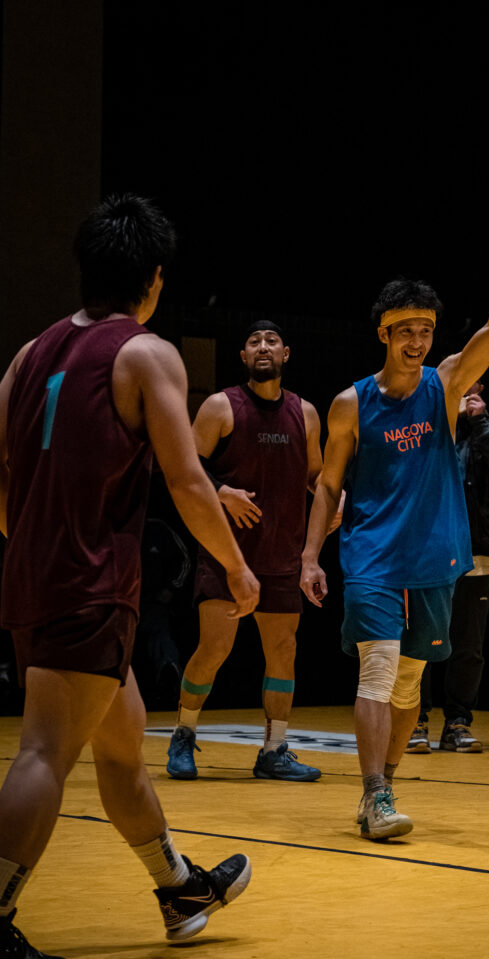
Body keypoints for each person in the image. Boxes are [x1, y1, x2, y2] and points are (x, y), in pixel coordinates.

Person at [0, 194, 259, 959]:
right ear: (154, 278)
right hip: (92, 584)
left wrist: (31, 541)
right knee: (45, 752)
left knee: (120, 747)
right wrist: (236, 567)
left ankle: (179, 891)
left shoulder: (31, 351)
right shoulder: (145, 353)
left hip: (40, 579)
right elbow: (187, 478)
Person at [300, 214, 489, 840]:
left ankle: (384, 787)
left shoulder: (445, 386)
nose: (417, 341)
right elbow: (328, 483)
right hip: (372, 558)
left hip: (435, 559)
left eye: (426, 330)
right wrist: (309, 556)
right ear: (383, 333)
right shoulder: (351, 403)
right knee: (377, 672)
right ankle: (375, 794)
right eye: (406, 330)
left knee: (409, 685)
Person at [165, 320, 328, 782]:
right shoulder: (221, 406)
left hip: (282, 555)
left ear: (286, 353)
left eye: (272, 341)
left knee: (283, 652)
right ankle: (183, 734)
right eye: (254, 342)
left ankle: (274, 751)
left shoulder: (305, 413)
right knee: (214, 648)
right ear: (243, 356)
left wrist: (332, 499)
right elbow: (187, 467)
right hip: (227, 554)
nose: (263, 347)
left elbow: (315, 476)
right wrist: (222, 493)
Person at [407, 381, 489, 754]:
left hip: (476, 553)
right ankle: (414, 721)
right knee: (421, 642)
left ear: (479, 386)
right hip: (426, 552)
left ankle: (457, 723)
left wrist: (479, 422)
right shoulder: (422, 425)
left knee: (469, 647)